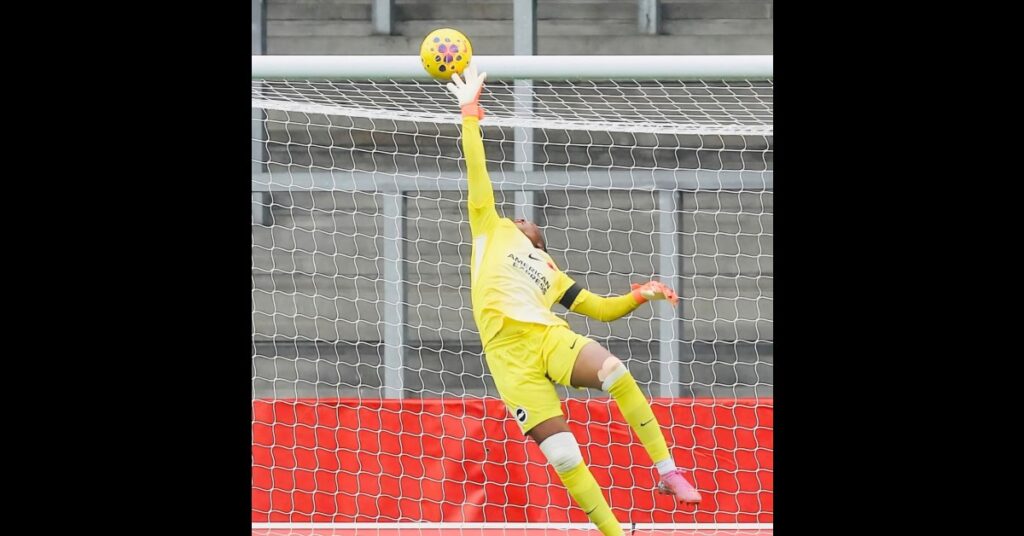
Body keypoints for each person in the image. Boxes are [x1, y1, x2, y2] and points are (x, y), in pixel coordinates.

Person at [446, 66, 701, 536]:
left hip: (548, 339)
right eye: (519, 216)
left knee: (615, 373)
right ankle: (614, 533)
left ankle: (667, 471)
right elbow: (476, 170)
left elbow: (598, 309)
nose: (523, 218)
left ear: (539, 241)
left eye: (529, 222)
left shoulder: (549, 272)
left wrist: (639, 295)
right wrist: (469, 112)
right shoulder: (490, 227)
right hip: (510, 361)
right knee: (562, 454)